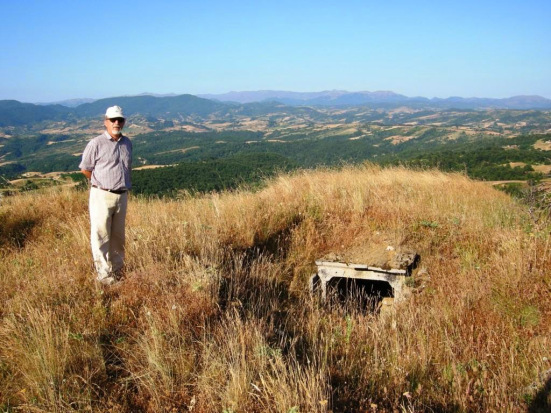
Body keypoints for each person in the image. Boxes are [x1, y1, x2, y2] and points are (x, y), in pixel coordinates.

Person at [79, 106, 132, 285]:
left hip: (121, 195)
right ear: (106, 121)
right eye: (113, 120)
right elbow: (85, 169)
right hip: (102, 195)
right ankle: (105, 277)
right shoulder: (96, 143)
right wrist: (101, 184)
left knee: (118, 237)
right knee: (101, 236)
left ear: (124, 122)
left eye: (120, 120)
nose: (117, 123)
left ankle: (118, 272)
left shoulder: (127, 143)